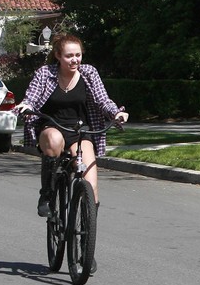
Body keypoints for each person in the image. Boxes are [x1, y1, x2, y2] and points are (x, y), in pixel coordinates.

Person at [15, 33, 129, 219]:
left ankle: (87, 228)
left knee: (90, 184)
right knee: (54, 139)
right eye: (69, 56)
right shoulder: (45, 73)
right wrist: (26, 106)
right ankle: (47, 194)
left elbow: (103, 100)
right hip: (51, 126)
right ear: (58, 56)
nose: (74, 60)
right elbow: (32, 97)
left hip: (80, 131)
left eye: (78, 55)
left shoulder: (89, 73)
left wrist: (116, 113)